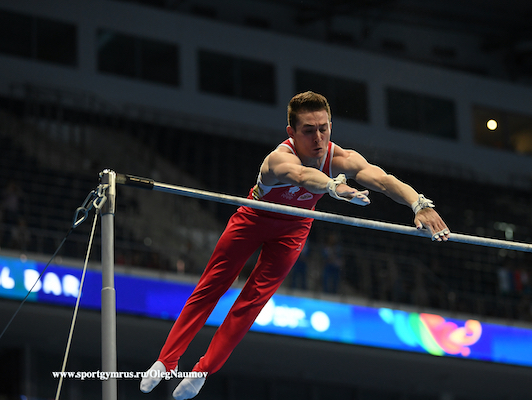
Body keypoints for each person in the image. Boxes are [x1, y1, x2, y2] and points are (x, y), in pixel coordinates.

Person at [140, 91, 450, 400]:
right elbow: (301, 175)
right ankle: (167, 360)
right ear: (291, 132)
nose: (318, 138)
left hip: (294, 229)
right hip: (253, 219)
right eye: (308, 130)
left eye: (324, 128)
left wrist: (419, 204)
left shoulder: (341, 158)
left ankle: (203, 370)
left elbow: (384, 180)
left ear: (331, 126)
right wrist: (332, 186)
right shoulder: (278, 159)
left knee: (252, 301)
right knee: (212, 285)